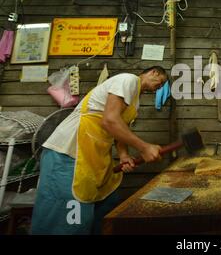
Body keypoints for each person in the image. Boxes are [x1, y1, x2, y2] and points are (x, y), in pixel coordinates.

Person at [31, 66, 168, 235]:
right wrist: (145, 147)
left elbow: (120, 130)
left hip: (91, 157)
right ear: (153, 72)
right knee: (64, 221)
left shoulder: (135, 101)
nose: (160, 87)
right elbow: (110, 121)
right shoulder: (128, 79)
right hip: (68, 153)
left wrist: (124, 155)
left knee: (103, 206)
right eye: (161, 82)